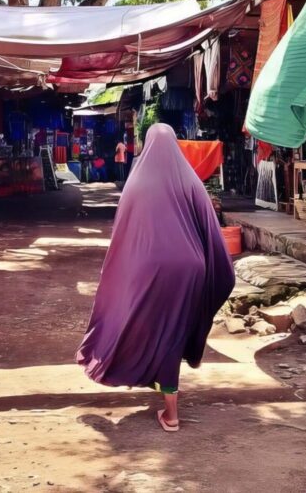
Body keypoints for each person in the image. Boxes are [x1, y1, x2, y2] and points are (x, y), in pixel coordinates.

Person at [76, 124, 235, 433]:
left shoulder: (136, 182)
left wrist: (118, 273)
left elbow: (124, 235)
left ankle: (169, 411)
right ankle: (167, 393)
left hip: (149, 269)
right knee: (173, 332)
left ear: (146, 145)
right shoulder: (190, 180)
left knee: (144, 326)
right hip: (191, 269)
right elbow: (211, 227)